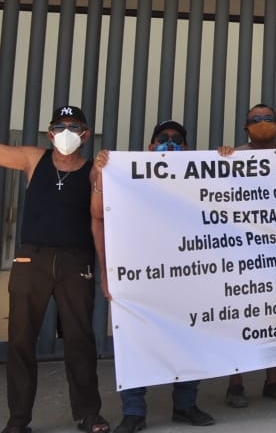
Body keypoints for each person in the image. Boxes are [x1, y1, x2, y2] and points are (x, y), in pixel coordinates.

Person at [90, 121, 216, 432]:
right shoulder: (125, 175)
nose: (169, 144)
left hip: (186, 274)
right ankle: (134, 412)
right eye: (163, 139)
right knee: (134, 340)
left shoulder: (197, 178)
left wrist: (227, 159)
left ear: (186, 149)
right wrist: (100, 172)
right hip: (138, 276)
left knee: (189, 339)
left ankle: (185, 405)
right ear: (150, 147)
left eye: (176, 140)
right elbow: (98, 215)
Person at [1, 106, 110, 433]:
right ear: (50, 133)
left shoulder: (92, 170)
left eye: (74, 126)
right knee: (20, 340)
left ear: (85, 134)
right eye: (60, 126)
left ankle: (89, 414)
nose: (66, 132)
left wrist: (104, 271)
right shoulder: (35, 159)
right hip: (31, 259)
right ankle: (18, 420)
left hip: (76, 260)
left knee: (80, 339)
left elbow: (97, 218)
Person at [218, 104, 276, 406]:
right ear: (245, 127)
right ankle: (235, 384)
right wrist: (220, 159)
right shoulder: (232, 157)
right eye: (255, 120)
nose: (262, 123)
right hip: (239, 252)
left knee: (274, 318)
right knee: (238, 317)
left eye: (267, 119)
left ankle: (273, 380)